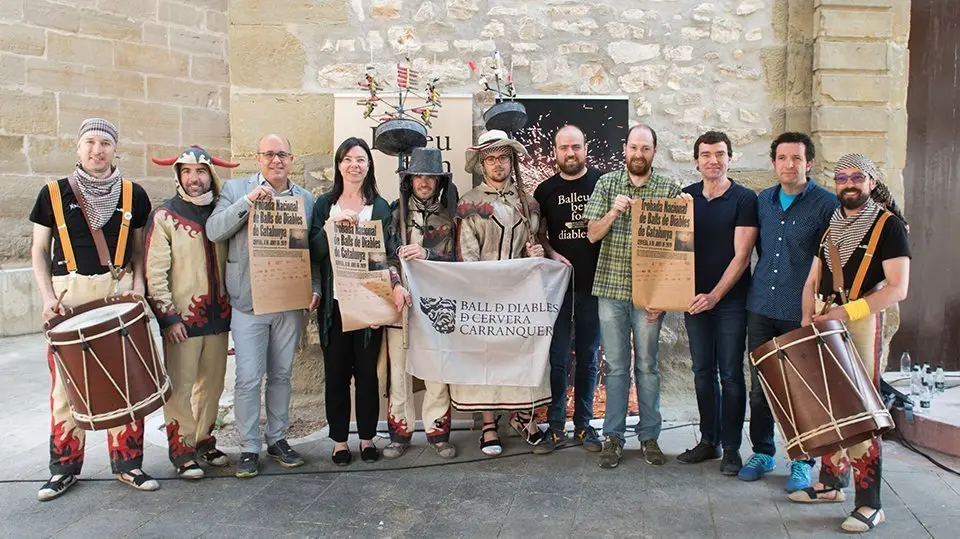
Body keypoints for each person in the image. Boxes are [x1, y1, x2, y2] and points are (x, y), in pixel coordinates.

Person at [29, 118, 157, 500]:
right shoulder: (52, 193)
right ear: (78, 146)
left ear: (115, 149)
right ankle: (64, 467)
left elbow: (138, 252)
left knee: (126, 379)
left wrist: (138, 288)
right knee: (65, 387)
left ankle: (128, 463)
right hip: (69, 292)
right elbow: (38, 250)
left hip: (116, 290)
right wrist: (47, 297)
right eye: (90, 142)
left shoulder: (134, 194)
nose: (97, 150)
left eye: (104, 143)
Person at [791, 153, 910, 533]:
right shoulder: (830, 227)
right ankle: (830, 483)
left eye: (858, 177)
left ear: (872, 182)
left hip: (858, 322)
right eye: (842, 177)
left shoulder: (888, 226)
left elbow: (898, 288)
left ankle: (870, 503)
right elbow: (812, 279)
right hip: (824, 318)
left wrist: (846, 313)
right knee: (828, 404)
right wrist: (806, 317)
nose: (849, 184)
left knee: (860, 408)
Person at [207, 134, 321, 478]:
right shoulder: (235, 189)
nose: (276, 160)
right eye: (269, 154)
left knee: (282, 374)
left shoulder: (305, 198)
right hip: (248, 302)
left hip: (288, 301)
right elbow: (215, 231)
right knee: (248, 378)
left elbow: (310, 251)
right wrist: (247, 202)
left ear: (292, 158)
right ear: (257, 158)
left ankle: (278, 439)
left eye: (282, 154)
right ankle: (248, 446)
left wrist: (313, 286)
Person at [739, 132, 838, 490]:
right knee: (761, 385)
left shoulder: (826, 204)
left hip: (802, 311)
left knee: (803, 388)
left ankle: (802, 460)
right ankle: (764, 452)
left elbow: (832, 259)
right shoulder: (763, 200)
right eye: (782, 158)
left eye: (796, 158)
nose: (789, 165)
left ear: (808, 162)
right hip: (762, 304)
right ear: (774, 163)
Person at [583, 124, 682, 469]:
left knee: (647, 365)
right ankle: (613, 437)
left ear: (654, 151)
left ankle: (649, 437)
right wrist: (613, 211)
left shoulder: (669, 187)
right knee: (615, 367)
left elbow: (679, 249)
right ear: (624, 149)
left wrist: (665, 296)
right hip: (611, 289)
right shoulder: (607, 183)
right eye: (634, 148)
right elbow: (592, 235)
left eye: (646, 148)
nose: (639, 154)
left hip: (650, 295)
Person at [454, 129, 548, 456]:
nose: (497, 164)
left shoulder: (527, 201)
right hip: (485, 293)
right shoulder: (471, 203)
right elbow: (467, 252)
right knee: (488, 358)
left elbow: (532, 243)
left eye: (503, 157)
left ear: (511, 160)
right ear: (481, 164)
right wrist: (484, 289)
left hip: (521, 293)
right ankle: (489, 424)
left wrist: (534, 255)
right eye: (490, 159)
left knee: (520, 356)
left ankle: (524, 416)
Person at [145, 146, 236, 479]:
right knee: (180, 387)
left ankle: (203, 440)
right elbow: (155, 272)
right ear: (178, 175)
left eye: (200, 172)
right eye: (187, 172)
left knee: (212, 386)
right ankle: (181, 449)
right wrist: (167, 316)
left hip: (219, 316)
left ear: (210, 175)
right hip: (182, 319)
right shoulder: (165, 216)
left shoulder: (222, 212)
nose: (194, 179)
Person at [676, 132, 758, 475]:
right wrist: (666, 295)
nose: (713, 160)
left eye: (720, 154)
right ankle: (708, 440)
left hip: (730, 302)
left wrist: (715, 296)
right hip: (693, 300)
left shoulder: (744, 199)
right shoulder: (685, 197)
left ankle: (731, 448)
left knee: (731, 374)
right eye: (706, 154)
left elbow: (742, 257)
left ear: (730, 158)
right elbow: (671, 252)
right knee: (701, 373)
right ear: (696, 160)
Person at [308, 137, 392, 466]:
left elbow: (385, 257)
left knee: (368, 374)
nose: (354, 165)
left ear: (369, 166)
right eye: (347, 159)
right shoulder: (323, 205)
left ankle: (368, 437)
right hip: (335, 306)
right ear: (339, 165)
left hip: (368, 303)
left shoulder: (380, 207)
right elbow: (311, 251)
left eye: (360, 159)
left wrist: (382, 305)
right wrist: (331, 228)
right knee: (337, 373)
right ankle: (340, 441)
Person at [382, 147, 459, 460]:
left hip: (437, 304)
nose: (425, 183)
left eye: (431, 177)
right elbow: (384, 257)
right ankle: (400, 434)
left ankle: (437, 432)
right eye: (419, 177)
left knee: (436, 370)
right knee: (399, 371)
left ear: (438, 182)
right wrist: (396, 284)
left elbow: (458, 260)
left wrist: (429, 255)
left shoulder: (450, 217)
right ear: (409, 179)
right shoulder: (394, 213)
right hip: (400, 303)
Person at [532, 125, 604, 454]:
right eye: (564, 147)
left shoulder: (602, 184)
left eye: (576, 146)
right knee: (558, 358)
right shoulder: (544, 191)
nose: (570, 153)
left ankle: (585, 426)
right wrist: (551, 252)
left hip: (595, 285)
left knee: (589, 358)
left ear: (585, 147)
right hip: (558, 289)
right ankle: (557, 426)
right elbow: (539, 234)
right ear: (556, 151)